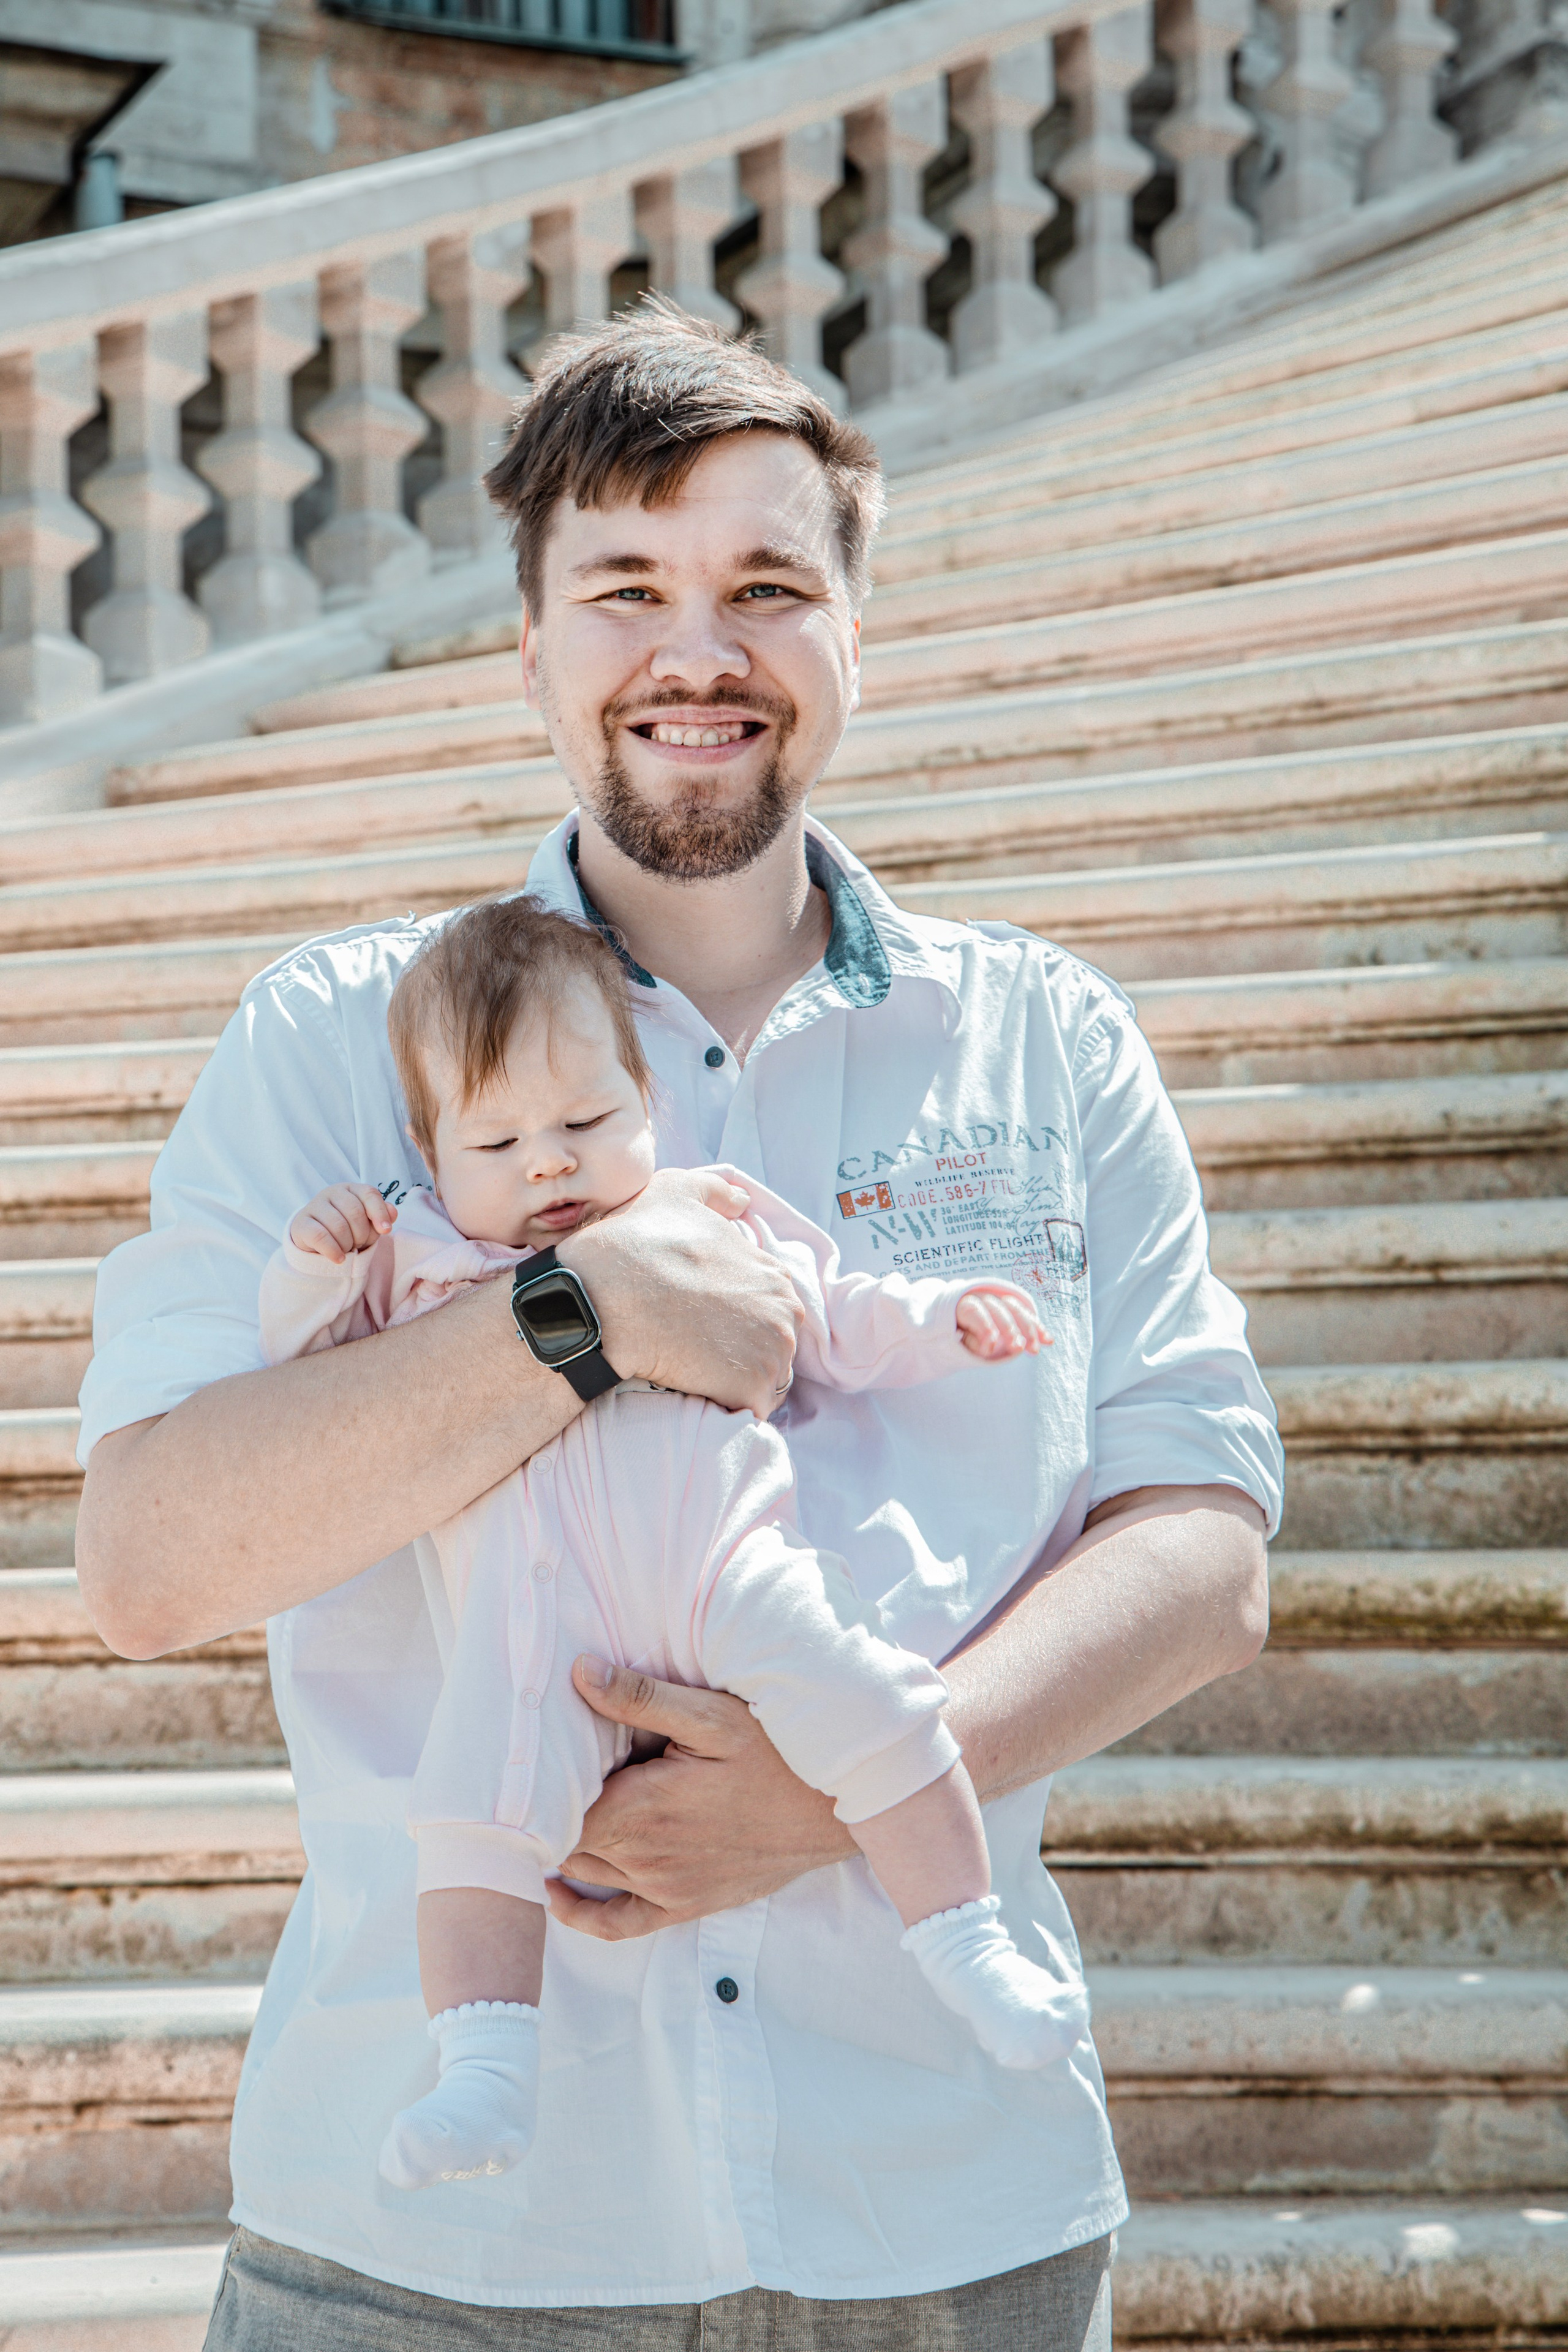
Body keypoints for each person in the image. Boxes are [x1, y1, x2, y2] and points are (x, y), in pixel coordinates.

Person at [75, 300, 1284, 2350]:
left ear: (851, 628)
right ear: (530, 646)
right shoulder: (330, 1038)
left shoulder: (1046, 1042)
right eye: (624, 588)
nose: (695, 651)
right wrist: (576, 1307)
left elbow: (1206, 1547)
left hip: (944, 2212)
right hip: (436, 2251)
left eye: (766, 588)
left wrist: (842, 1795)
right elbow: (151, 1558)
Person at [261, 892, 1087, 2193]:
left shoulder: (710, 1211)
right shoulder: (416, 1259)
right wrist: (316, 1265)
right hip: (539, 1621)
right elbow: (303, 1375)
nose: (548, 1165)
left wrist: (943, 1318)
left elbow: (837, 1314)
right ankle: (484, 2068)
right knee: (472, 1814)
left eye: (585, 1123)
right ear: (428, 1149)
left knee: (875, 1702)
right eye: (498, 1139)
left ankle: (965, 1940)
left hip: (725, 1570)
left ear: (642, 1097)